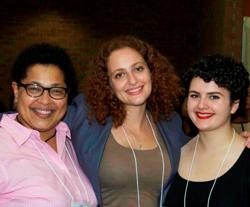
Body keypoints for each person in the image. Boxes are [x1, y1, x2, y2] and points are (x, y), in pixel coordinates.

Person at [64, 35, 189, 207]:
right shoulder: (86, 118)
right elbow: (40, 119)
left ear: (151, 71)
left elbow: (199, 150)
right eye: (119, 75)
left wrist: (235, 143)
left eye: (138, 69)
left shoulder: (170, 123)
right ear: (108, 84)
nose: (132, 80)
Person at [0, 43, 97, 207]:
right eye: (34, 88)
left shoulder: (70, 140)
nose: (45, 100)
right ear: (16, 90)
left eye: (56, 90)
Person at [165, 54, 250, 206]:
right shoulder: (176, 152)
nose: (201, 105)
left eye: (214, 97)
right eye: (195, 95)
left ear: (234, 105)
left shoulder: (246, 158)